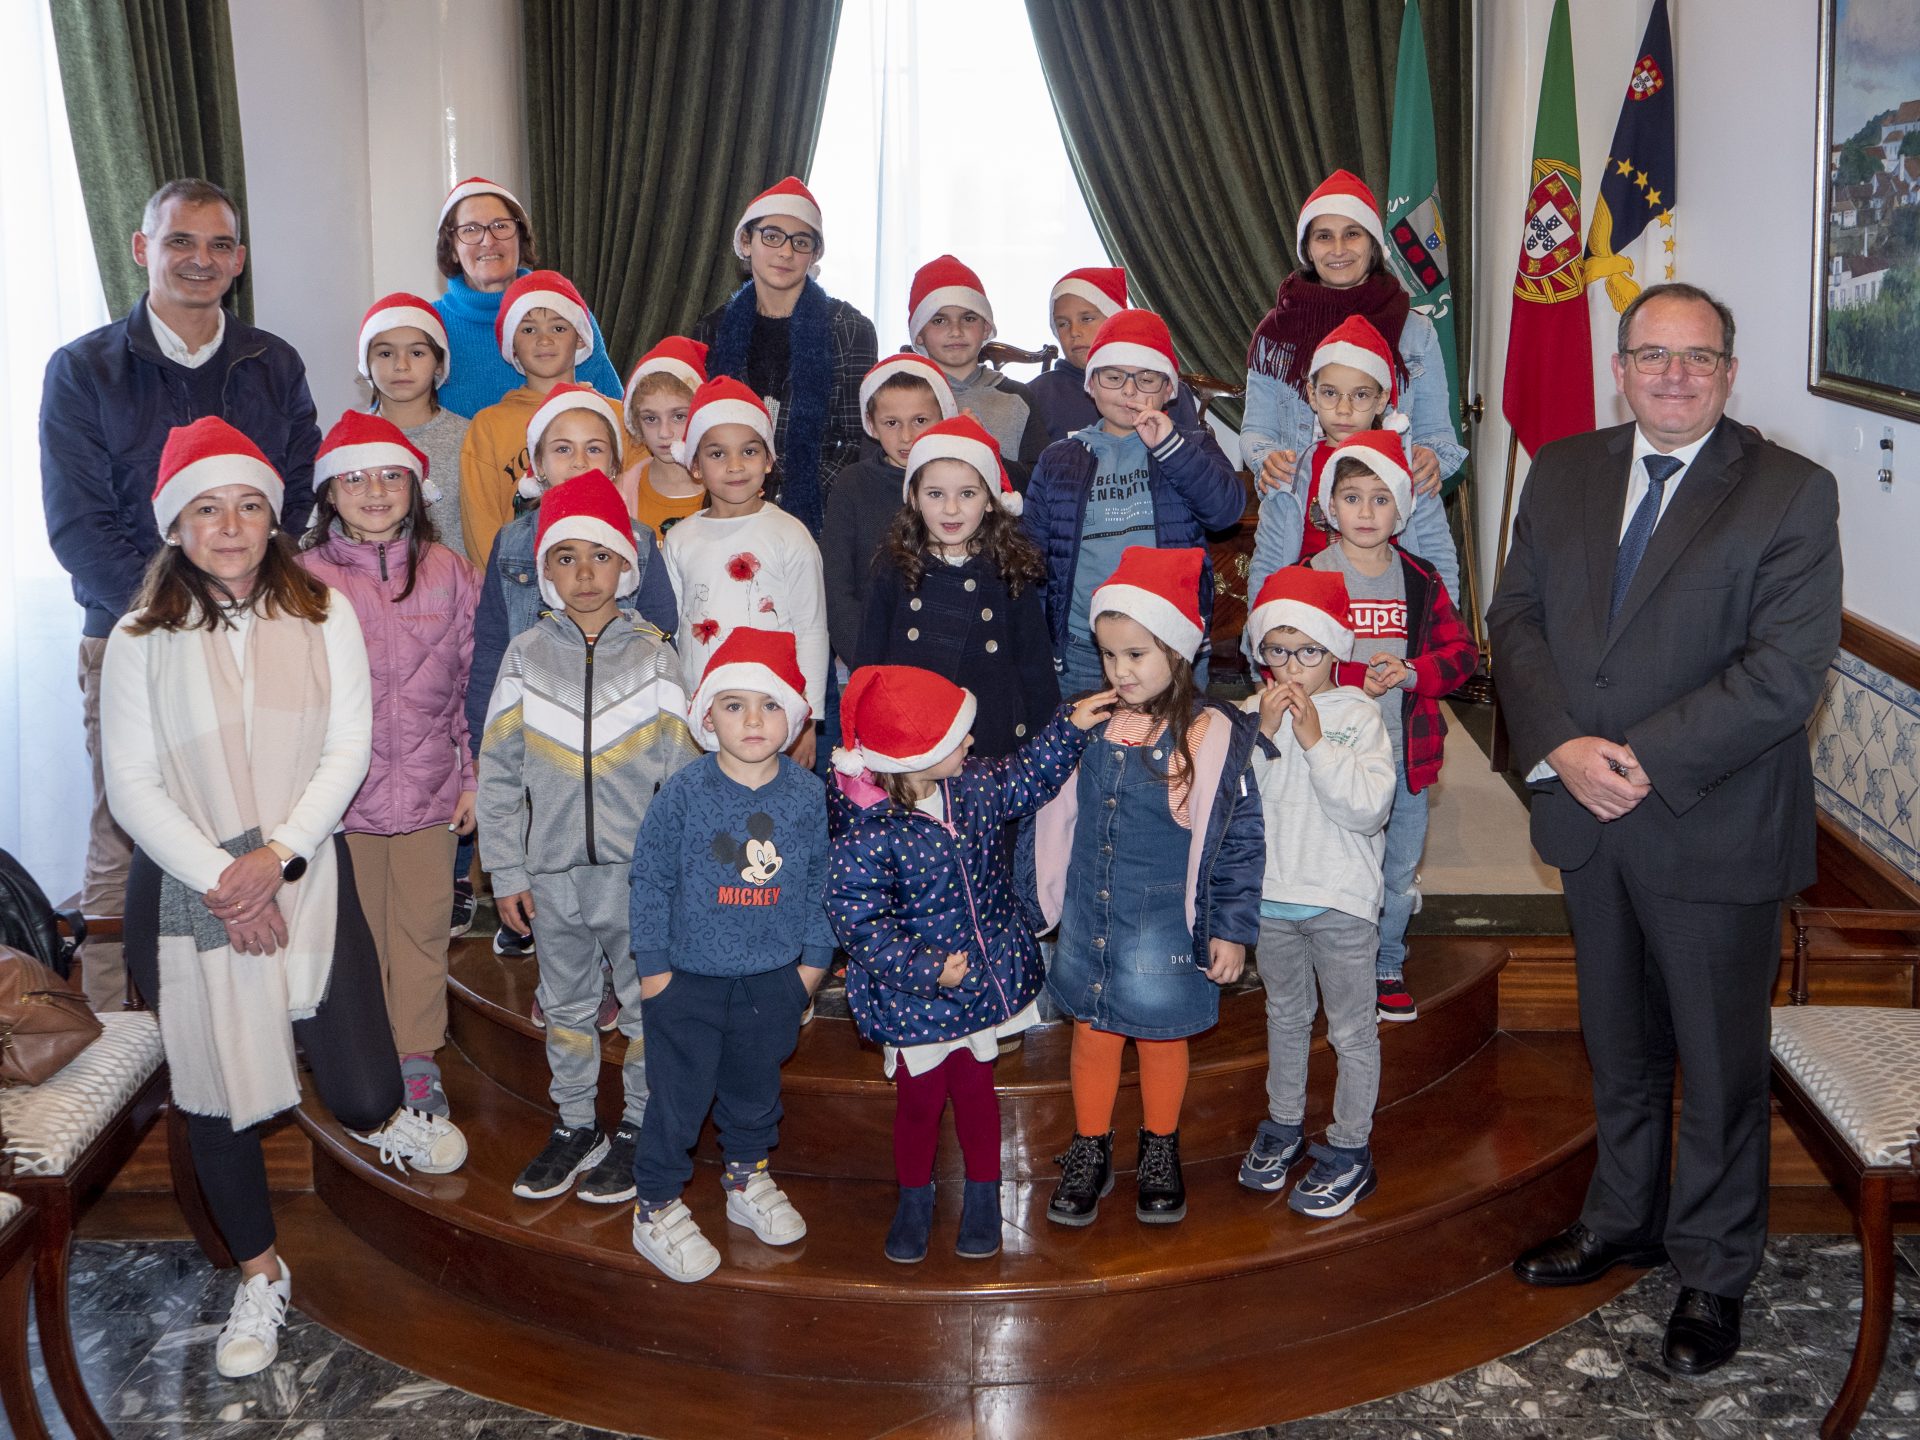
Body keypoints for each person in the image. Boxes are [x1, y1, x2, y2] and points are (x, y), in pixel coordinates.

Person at [1490, 283, 1842, 1376]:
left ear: (1729, 372)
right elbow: (1517, 620)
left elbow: (1784, 675)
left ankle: (1713, 1271)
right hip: (1588, 819)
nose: (1674, 375)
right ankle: (1623, 1220)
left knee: (1720, 1067)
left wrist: (1635, 759)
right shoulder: (1563, 470)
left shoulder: (1790, 491)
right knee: (1620, 1045)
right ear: (1620, 368)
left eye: (1697, 358)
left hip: (1711, 826)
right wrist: (1562, 746)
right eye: (1653, 355)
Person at [101, 417, 462, 1380]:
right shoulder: (139, 638)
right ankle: (261, 1273)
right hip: (187, 885)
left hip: (303, 866)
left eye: (248, 506)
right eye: (207, 509)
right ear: (176, 526)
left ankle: (387, 1121)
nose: (229, 527)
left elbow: (349, 747)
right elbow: (131, 785)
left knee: (366, 1090)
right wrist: (227, 879)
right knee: (218, 1097)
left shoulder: (323, 611)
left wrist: (276, 858)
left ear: (274, 518)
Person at [41, 177, 321, 1012]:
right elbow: (79, 524)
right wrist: (178, 615)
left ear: (239, 260)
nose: (200, 260)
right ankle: (110, 1032)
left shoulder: (274, 363)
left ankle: (255, 1009)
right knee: (125, 831)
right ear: (143, 249)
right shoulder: (83, 370)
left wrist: (242, 607)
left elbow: (297, 494)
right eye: (180, 242)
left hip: (259, 634)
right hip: (130, 635)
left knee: (253, 819)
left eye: (218, 245)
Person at [826, 665, 1112, 1262]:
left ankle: (984, 1193)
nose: (972, 742)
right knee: (920, 1102)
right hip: (914, 996)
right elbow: (859, 921)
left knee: (978, 1091)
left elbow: (1027, 776)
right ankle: (914, 1197)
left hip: (980, 982)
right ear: (916, 756)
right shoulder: (869, 830)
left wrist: (1070, 727)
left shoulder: (974, 783)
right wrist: (926, 967)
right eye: (957, 737)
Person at [476, 471, 701, 1202]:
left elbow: (684, 781)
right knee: (566, 1006)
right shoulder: (523, 656)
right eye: (565, 557)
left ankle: (637, 1124)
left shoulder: (656, 657)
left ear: (626, 565)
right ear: (544, 569)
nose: (583, 573)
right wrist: (506, 871)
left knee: (645, 1008)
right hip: (551, 875)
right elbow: (498, 773)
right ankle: (576, 1123)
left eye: (600, 556)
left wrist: (675, 874)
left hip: (637, 878)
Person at [1031, 546, 1264, 1227]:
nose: (1120, 671)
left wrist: (1230, 929)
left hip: (1162, 923)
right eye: (1108, 655)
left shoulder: (1208, 733)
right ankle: (1090, 1146)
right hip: (1090, 913)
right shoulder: (1090, 721)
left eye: (1136, 654)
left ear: (1178, 650)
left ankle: (1160, 1146)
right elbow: (1047, 803)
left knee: (1162, 1037)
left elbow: (1237, 840)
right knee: (1092, 1034)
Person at [626, 629, 836, 1284]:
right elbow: (650, 880)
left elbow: (821, 884)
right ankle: (656, 1204)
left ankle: (746, 1177)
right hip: (686, 982)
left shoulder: (807, 796)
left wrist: (809, 970)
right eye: (735, 704)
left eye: (769, 705)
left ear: (792, 718)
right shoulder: (683, 794)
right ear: (707, 715)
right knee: (677, 1101)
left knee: (754, 1092)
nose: (752, 720)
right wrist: (654, 971)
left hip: (773, 982)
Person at [298, 411, 480, 1124]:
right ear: (329, 493)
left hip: (433, 791)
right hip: (341, 802)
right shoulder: (303, 580)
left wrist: (472, 778)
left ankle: (417, 1057)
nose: (374, 491)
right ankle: (364, 1058)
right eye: (354, 479)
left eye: (389, 476)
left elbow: (471, 683)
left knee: (424, 929)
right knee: (357, 935)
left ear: (415, 487)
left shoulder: (448, 571)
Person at [467, 384, 676, 968]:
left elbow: (664, 630)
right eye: (563, 449)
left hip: (620, 739)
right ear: (537, 463)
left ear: (615, 462)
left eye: (594, 448)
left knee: (623, 895)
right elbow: (491, 646)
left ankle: (618, 977)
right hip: (540, 736)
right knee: (551, 875)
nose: (579, 461)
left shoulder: (640, 540)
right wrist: (480, 739)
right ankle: (563, 972)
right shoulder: (512, 542)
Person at [1234, 569, 1394, 1216]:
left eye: (1308, 651)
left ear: (1333, 651)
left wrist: (1314, 740)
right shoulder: (1250, 714)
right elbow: (1235, 805)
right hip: (1272, 899)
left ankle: (1352, 1146)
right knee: (1285, 1016)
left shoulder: (1359, 714)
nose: (1292, 666)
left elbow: (1367, 810)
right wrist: (1265, 735)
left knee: (1352, 1031)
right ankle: (1284, 1122)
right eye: (1277, 650)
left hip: (1341, 902)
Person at [1309, 431, 1479, 1021]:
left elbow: (1463, 655)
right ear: (1331, 506)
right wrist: (1356, 675)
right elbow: (1282, 657)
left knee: (1398, 869)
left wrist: (1411, 673)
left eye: (1381, 499)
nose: (1366, 511)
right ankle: (1335, 963)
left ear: (1401, 508)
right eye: (1352, 497)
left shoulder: (1421, 578)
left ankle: (1386, 961)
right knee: (1333, 864)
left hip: (1406, 755)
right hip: (1331, 754)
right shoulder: (1311, 575)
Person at [1022, 309, 1244, 697]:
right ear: (1091, 385)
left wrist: (1170, 448)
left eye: (1146, 379)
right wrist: (1044, 639)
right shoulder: (1059, 459)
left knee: (1177, 737)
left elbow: (1225, 511)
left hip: (1171, 643)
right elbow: (1034, 559)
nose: (1129, 391)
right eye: (1113, 377)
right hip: (1084, 649)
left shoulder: (1192, 445)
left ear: (1168, 389)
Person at [1241, 170, 1462, 517]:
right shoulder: (1276, 332)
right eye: (1324, 236)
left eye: (1352, 234)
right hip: (1297, 517)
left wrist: (1429, 457)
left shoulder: (1416, 332)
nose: (1338, 249)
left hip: (1386, 524)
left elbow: (1438, 435)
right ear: (1308, 248)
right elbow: (1256, 431)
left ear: (1372, 244)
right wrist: (1266, 459)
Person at [855, 416, 1057, 758]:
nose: (951, 509)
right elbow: (870, 661)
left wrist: (1048, 750)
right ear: (914, 498)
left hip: (992, 738)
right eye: (935, 494)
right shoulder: (894, 567)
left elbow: (1035, 667)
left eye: (967, 493)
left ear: (990, 500)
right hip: (914, 736)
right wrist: (865, 738)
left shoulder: (1008, 568)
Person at [692, 177, 880, 536]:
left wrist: (784, 507)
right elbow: (701, 433)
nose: (786, 252)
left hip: (820, 518)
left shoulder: (850, 329)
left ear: (815, 254)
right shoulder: (712, 330)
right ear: (746, 242)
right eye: (772, 236)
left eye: (801, 241)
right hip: (727, 511)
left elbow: (858, 440)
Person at [663, 377, 829, 770]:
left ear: (769, 460)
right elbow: (672, 632)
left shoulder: (790, 534)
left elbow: (811, 628)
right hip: (703, 713)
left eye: (749, 451)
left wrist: (808, 719)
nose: (735, 466)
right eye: (717, 454)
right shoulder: (680, 539)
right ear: (695, 465)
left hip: (774, 713)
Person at [1244, 314, 1460, 608]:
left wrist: (1444, 623)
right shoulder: (1291, 475)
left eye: (1360, 395)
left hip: (1391, 614)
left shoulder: (1407, 470)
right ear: (1312, 394)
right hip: (1309, 615)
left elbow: (1438, 554)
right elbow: (1267, 562)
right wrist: (1262, 624)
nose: (1344, 409)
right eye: (1330, 393)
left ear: (1381, 400)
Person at [460, 270, 619, 566]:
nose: (544, 340)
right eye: (528, 330)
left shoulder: (616, 417)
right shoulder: (488, 427)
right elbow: (481, 529)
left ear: (581, 339)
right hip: (519, 581)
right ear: (512, 345)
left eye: (558, 328)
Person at [430, 176, 620, 417]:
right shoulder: (429, 326)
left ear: (521, 238)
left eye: (501, 226)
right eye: (470, 229)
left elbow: (617, 417)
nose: (488, 241)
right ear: (452, 249)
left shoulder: (565, 312)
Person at [821, 355, 958, 676]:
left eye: (920, 420)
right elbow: (836, 588)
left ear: (944, 416)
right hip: (874, 662)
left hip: (952, 659)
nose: (907, 436)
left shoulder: (963, 482)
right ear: (871, 424)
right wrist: (868, 661)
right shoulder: (853, 483)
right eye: (892, 423)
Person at [905, 255, 1047, 486]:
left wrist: (985, 449)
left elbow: (1040, 483)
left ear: (986, 328)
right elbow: (878, 474)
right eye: (939, 321)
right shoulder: (900, 396)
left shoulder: (1018, 397)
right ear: (919, 334)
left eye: (969, 318)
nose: (956, 331)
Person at [1026, 267, 1202, 443]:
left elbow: (1193, 454)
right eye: (1062, 324)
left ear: (1115, 321)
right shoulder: (1038, 394)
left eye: (1086, 319)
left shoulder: (1166, 390)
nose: (1074, 332)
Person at [357, 293, 471, 558]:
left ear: (439, 364)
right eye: (385, 353)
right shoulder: (349, 443)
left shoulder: (469, 439)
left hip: (455, 582)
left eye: (417, 353)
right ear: (366, 363)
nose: (401, 365)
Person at [618, 337, 710, 541]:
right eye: (651, 419)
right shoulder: (620, 493)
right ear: (636, 423)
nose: (664, 432)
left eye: (679, 416)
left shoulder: (728, 488)